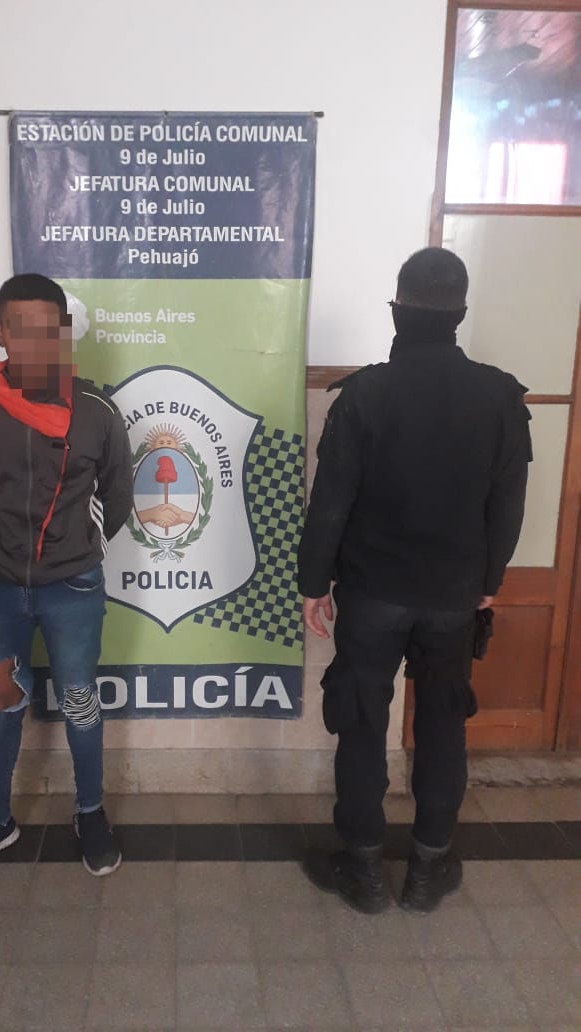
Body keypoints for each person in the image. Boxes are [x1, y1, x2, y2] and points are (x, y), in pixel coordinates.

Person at [297, 247, 532, 913]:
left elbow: (331, 502)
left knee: (362, 725)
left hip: (372, 593)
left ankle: (363, 870)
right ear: (461, 312)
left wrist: (313, 583)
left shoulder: (364, 395)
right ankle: (427, 870)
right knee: (442, 727)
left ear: (397, 308)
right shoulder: (500, 397)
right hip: (455, 598)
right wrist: (490, 580)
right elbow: (507, 505)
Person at [0, 273, 133, 880]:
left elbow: (116, 497)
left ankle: (90, 813)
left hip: (73, 587)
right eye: (22, 330)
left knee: (79, 700)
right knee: (0, 704)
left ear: (63, 333)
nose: (36, 344)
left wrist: (78, 550)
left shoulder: (96, 412)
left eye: (49, 331)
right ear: (1, 333)